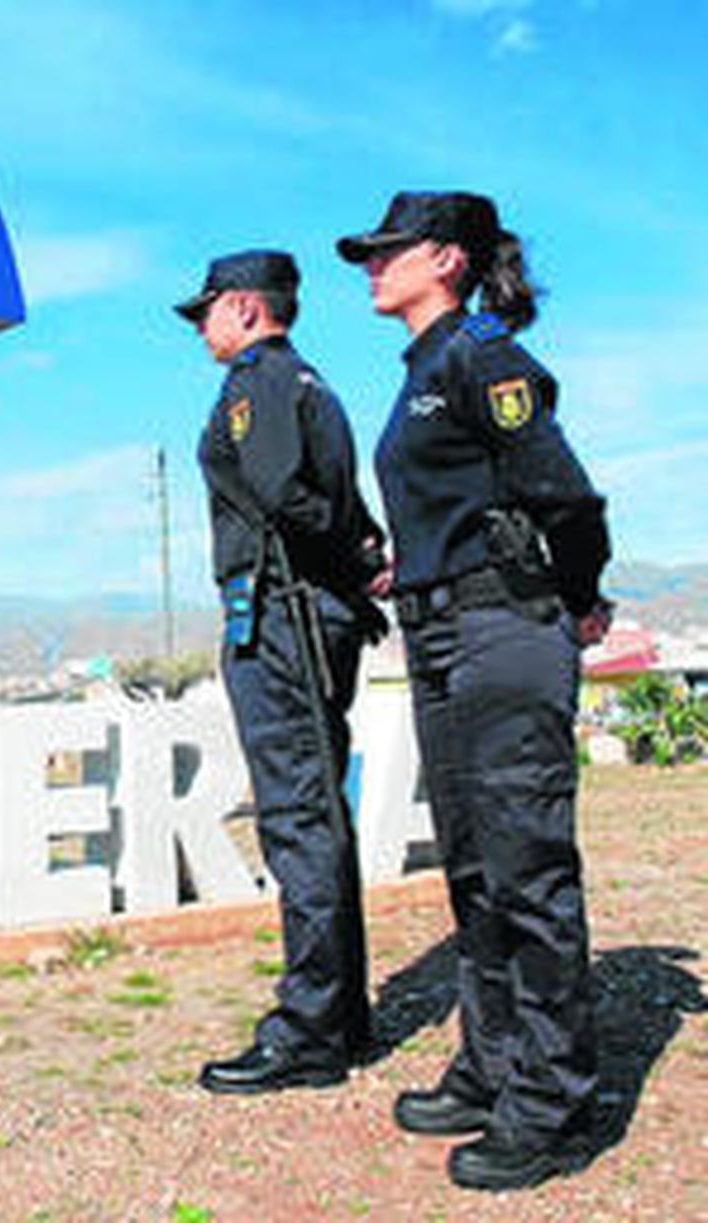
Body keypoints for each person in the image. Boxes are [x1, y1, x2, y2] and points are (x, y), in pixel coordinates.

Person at [338, 191, 613, 1192]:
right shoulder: (421, 370)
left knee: (525, 863)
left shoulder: (482, 357)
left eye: (387, 252)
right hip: (441, 622)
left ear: (446, 260)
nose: (370, 266)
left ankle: (552, 1097)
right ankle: (492, 1062)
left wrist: (578, 597)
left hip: (505, 625)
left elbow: (566, 494)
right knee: (472, 865)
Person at [176, 250, 389, 1094]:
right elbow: (337, 498)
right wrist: (364, 557)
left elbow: (279, 495)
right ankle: (342, 1019)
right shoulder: (313, 385)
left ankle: (308, 1029)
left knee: (298, 821)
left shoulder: (256, 384)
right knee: (319, 817)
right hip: (317, 613)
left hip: (282, 615)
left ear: (243, 308)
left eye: (206, 313)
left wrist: (343, 560)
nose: (201, 328)